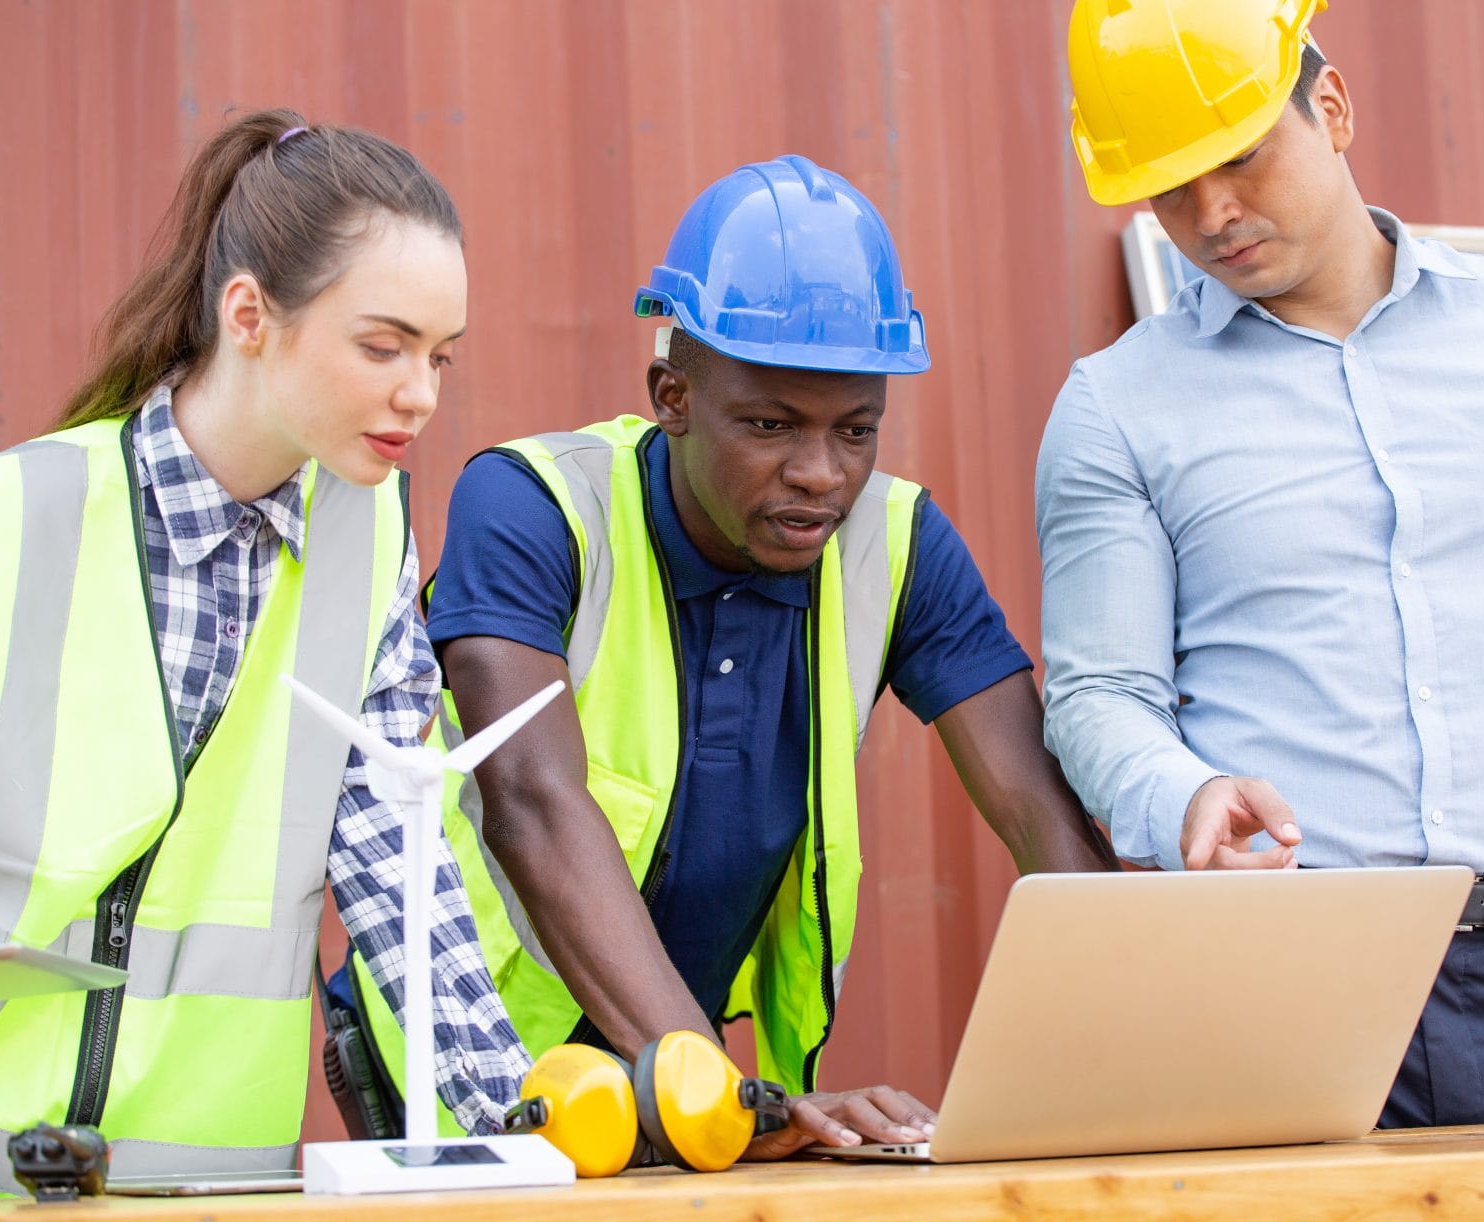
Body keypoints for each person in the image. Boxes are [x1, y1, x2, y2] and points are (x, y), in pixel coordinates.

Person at [1039, 0, 1484, 1126]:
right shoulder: (1115, 409)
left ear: (1334, 105)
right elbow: (1096, 695)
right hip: (1277, 993)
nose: (1212, 214)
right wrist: (1183, 799)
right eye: (1170, 186)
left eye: (1239, 156)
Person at [347, 154, 1115, 1160]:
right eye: (769, 424)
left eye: (856, 430)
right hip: (472, 1072)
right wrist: (719, 1097)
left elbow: (1035, 807)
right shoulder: (536, 507)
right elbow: (533, 803)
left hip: (693, 1072)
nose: (819, 473)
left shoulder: (899, 543)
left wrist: (1139, 1056)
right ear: (672, 394)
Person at [0, 109, 531, 1199]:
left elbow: (405, 873)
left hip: (214, 1209)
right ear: (249, 314)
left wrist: (520, 1122)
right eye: (383, 345)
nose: (421, 393)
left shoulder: (373, 543)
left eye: (440, 356)